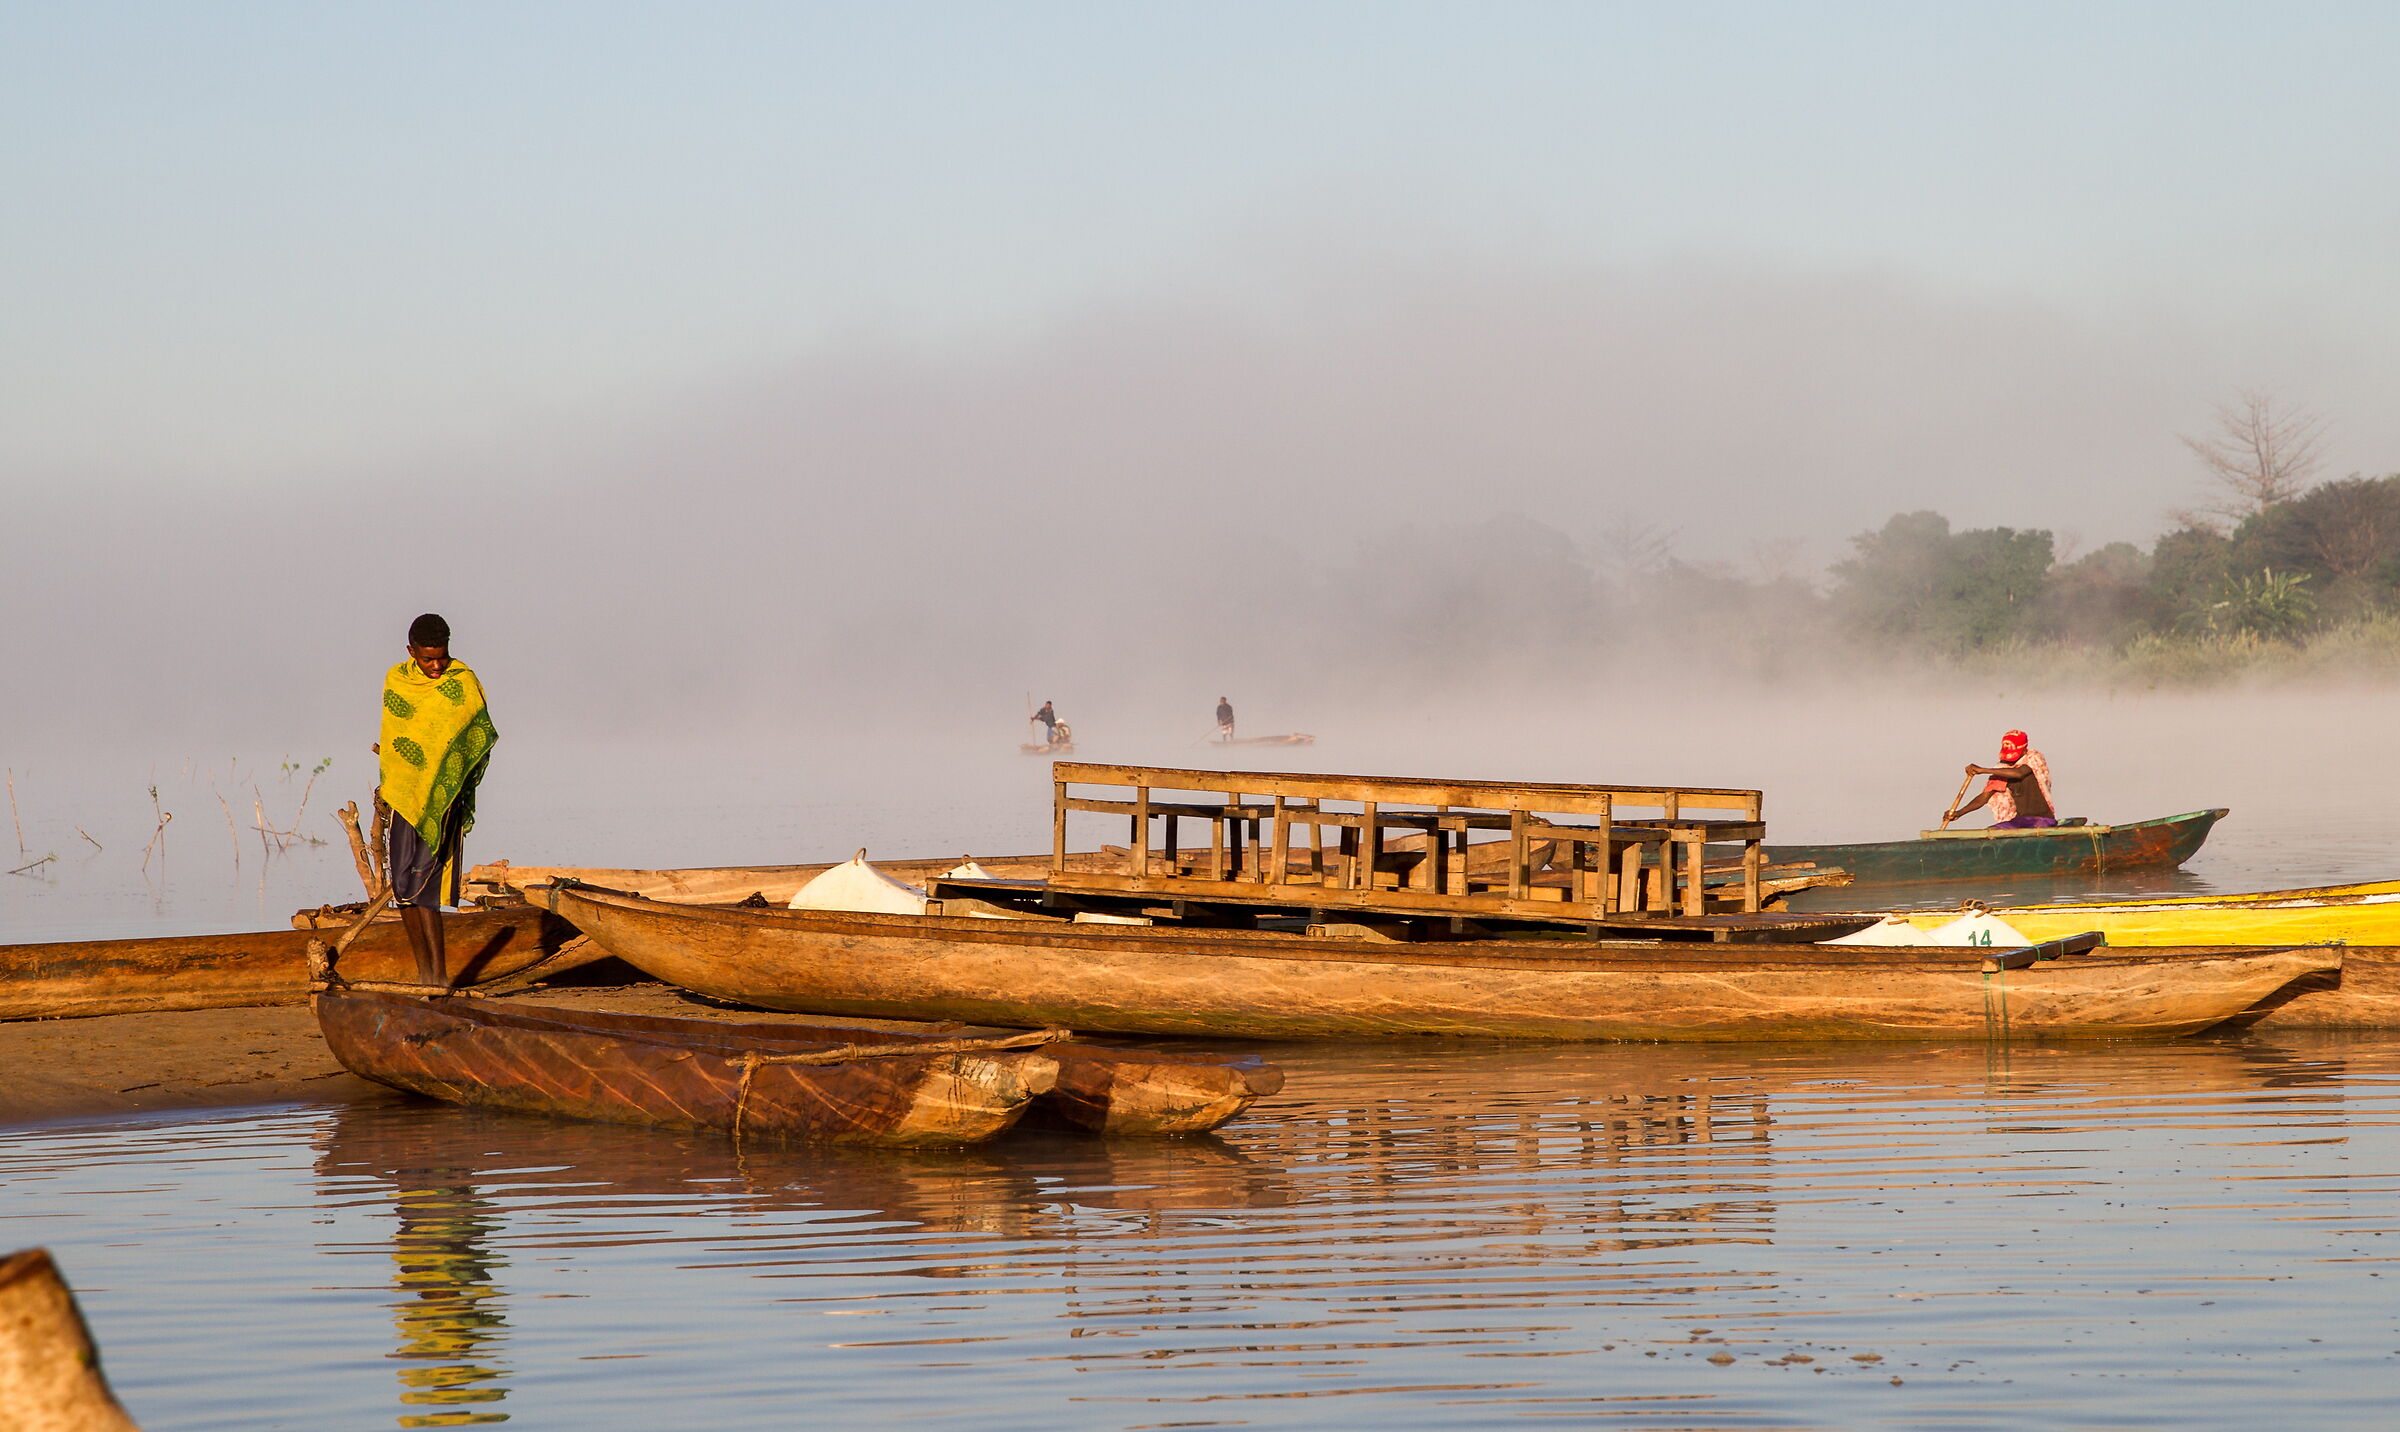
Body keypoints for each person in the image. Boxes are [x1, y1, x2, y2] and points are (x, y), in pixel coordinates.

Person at [375, 613, 498, 989]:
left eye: (441, 657)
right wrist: (387, 787)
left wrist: (450, 783)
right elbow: (397, 737)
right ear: (411, 651)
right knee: (402, 890)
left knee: (425, 888)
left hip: (442, 802)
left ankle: (440, 977)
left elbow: (477, 737)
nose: (435, 666)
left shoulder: (462, 682)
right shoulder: (397, 680)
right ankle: (424, 974)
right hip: (402, 797)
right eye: (427, 658)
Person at [1946, 729, 2056, 829]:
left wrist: (1983, 770)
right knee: (1991, 831)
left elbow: (2019, 773)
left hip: (2043, 819)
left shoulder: (2034, 758)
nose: (2010, 760)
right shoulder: (2001, 769)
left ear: (2024, 751)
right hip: (2020, 820)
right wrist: (1959, 813)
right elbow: (1984, 797)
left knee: (2036, 829)